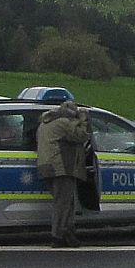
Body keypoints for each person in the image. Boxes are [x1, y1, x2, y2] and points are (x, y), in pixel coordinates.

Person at [35, 96, 93, 248]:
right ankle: (58, 236)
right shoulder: (63, 123)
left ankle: (68, 233)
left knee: (65, 202)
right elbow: (81, 136)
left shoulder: (45, 122)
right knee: (63, 204)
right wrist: (84, 119)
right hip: (61, 167)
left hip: (46, 166)